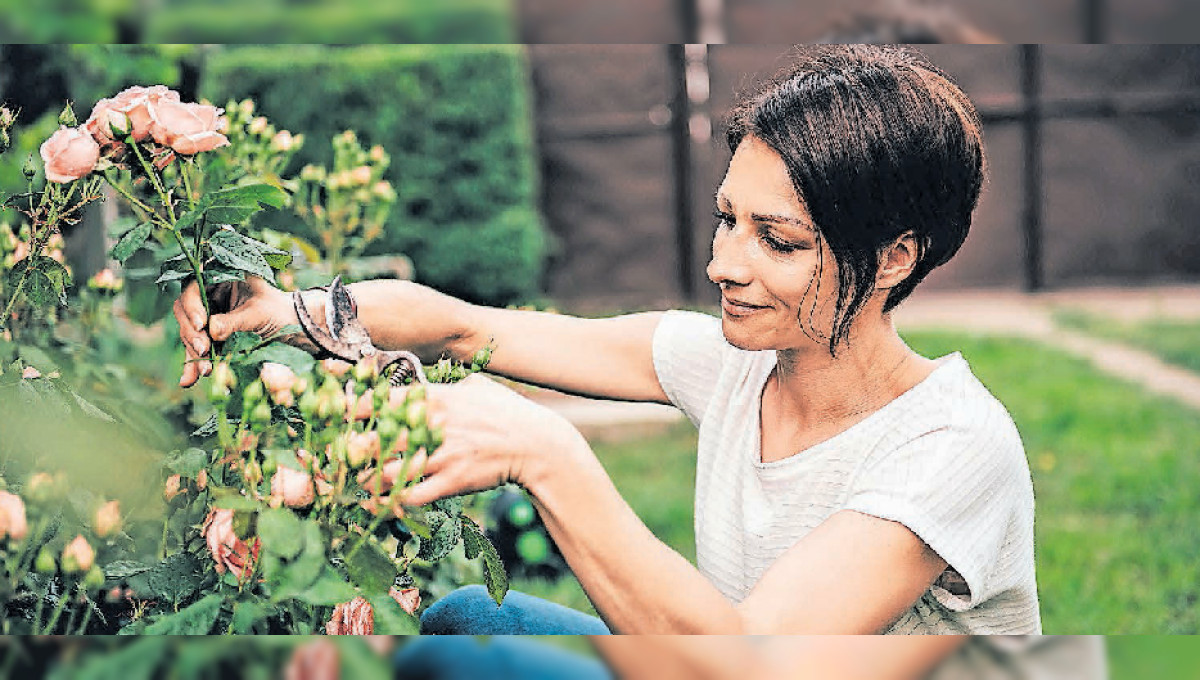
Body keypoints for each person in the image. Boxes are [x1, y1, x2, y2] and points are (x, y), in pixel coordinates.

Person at [174, 45, 1039, 636]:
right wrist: (286, 310)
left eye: (777, 240)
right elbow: (467, 326)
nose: (722, 265)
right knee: (469, 623)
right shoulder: (740, 367)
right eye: (727, 220)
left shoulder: (953, 448)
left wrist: (545, 453)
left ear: (893, 258)